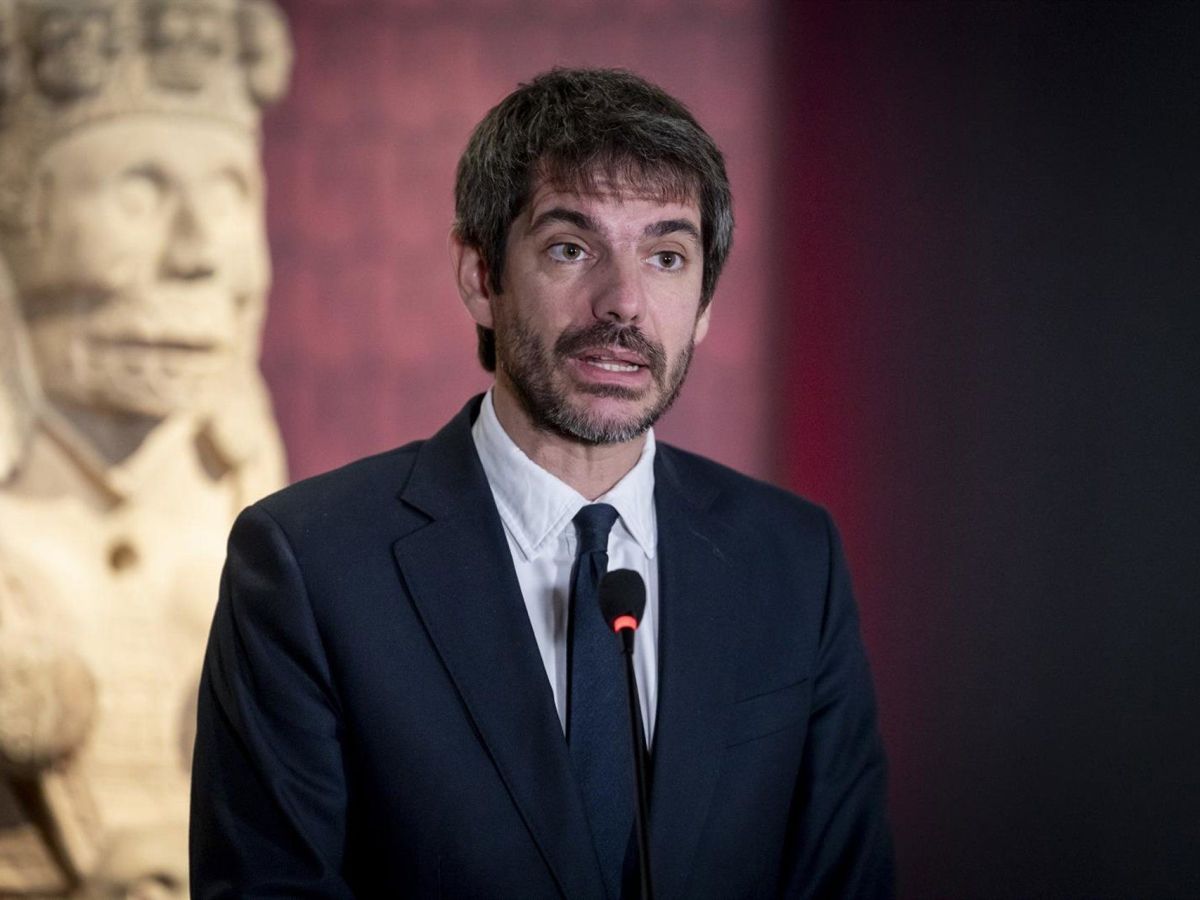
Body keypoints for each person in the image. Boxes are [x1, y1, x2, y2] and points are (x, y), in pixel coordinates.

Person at [190, 68, 893, 898]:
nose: (623, 303)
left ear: (704, 303)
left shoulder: (793, 558)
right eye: (571, 249)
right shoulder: (309, 565)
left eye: (667, 257)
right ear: (480, 275)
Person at [0, 1, 291, 896]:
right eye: (138, 191)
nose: (200, 254)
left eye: (229, 194)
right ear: (18, 216)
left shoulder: (268, 521)